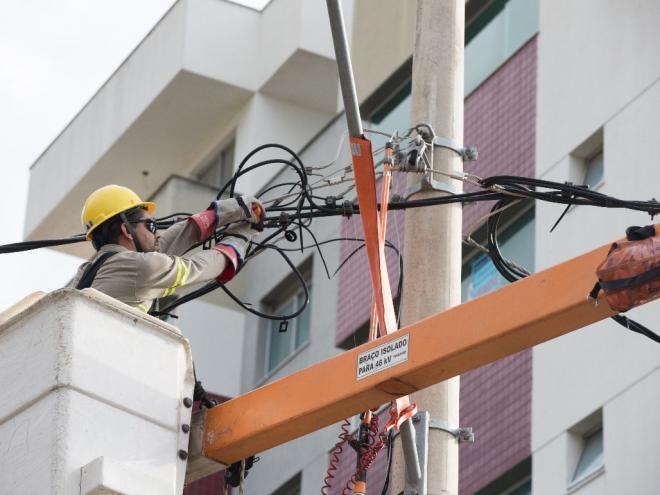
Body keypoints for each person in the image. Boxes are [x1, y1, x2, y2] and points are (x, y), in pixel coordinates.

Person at [69, 184, 263, 314]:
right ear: (127, 230)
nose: (158, 233)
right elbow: (199, 268)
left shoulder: (86, 273)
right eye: (151, 226)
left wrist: (230, 210)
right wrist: (242, 236)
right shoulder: (139, 268)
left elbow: (167, 243)